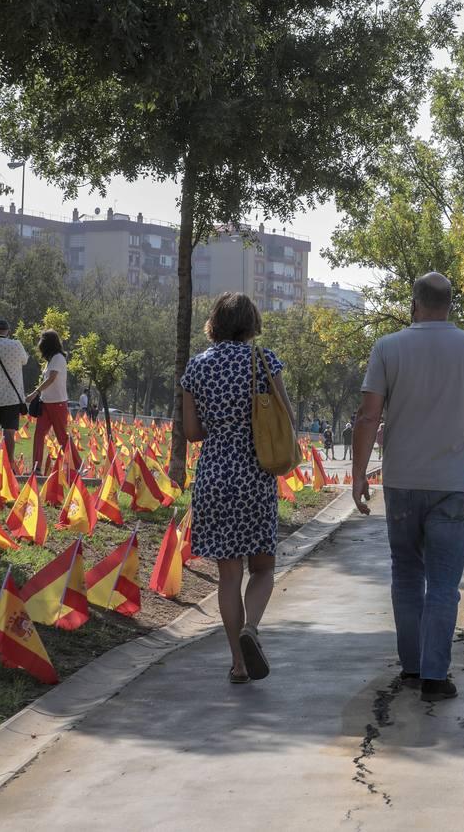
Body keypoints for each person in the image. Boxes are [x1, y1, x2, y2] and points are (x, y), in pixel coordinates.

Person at [351, 271, 464, 703]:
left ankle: (412, 666)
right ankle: (436, 678)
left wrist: (359, 474)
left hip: (401, 482)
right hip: (453, 487)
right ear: (450, 304)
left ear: (414, 303)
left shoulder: (387, 347)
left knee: (406, 574)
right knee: (443, 582)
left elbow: (368, 416)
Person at [180, 293, 295, 684]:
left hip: (213, 476)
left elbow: (192, 432)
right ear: (252, 323)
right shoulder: (264, 361)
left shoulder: (195, 368)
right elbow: (287, 418)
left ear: (215, 322)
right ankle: (252, 629)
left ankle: (238, 663)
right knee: (262, 568)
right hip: (255, 475)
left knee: (228, 577)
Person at [0, 319, 29, 467]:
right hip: (11, 396)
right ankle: (8, 464)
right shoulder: (16, 345)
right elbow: (25, 361)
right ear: (8, 331)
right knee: (9, 432)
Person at [29, 330, 70, 476]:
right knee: (39, 434)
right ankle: (36, 468)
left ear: (48, 343)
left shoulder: (58, 358)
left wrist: (35, 393)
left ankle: (77, 467)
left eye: (41, 339)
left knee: (62, 437)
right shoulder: (50, 360)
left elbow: (51, 378)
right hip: (46, 403)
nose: (39, 343)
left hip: (58, 403)